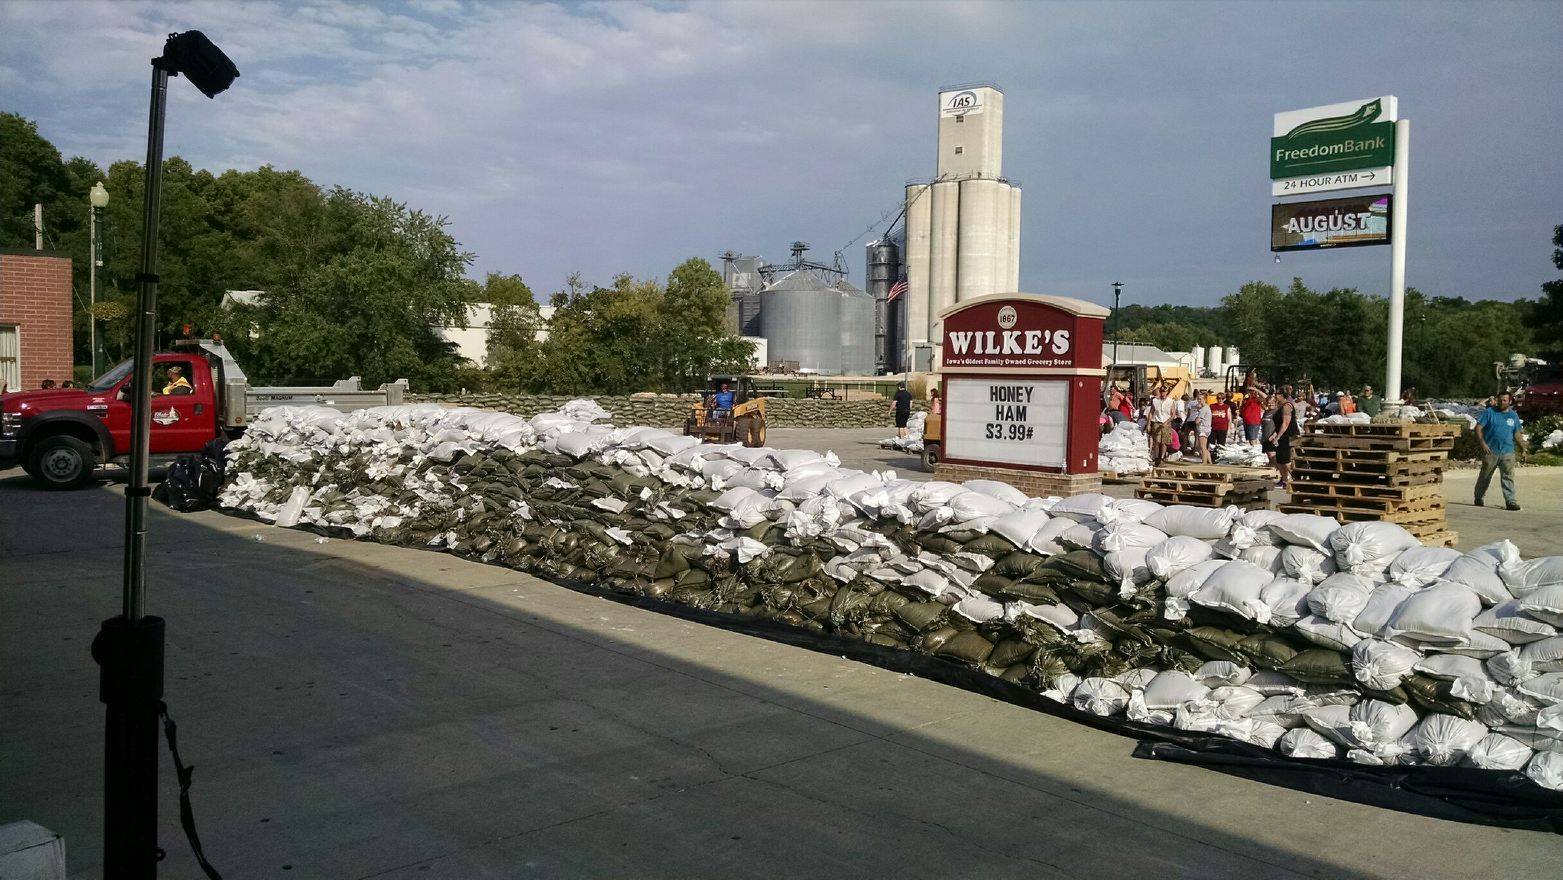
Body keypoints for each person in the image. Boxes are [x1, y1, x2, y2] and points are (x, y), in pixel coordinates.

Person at [1474, 392, 1524, 510]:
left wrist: (1522, 447)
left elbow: (1516, 433)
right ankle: (1479, 497)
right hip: (1491, 451)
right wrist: (1483, 444)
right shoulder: (1489, 412)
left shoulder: (1513, 416)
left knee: (1508, 477)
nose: (1502, 402)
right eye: (1500, 400)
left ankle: (1510, 501)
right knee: (1485, 476)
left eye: (1505, 400)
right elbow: (1478, 428)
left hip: (1507, 451)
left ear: (1510, 402)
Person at [1269, 390, 1301, 490]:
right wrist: (1274, 434)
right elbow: (1279, 424)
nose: (1275, 396)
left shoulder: (1287, 406)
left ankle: (1296, 480)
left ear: (1282, 395)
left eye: (1277, 395)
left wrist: (1278, 437)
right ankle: (1284, 480)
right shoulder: (1281, 406)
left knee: (1286, 460)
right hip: (1281, 435)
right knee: (1280, 459)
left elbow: (1285, 423)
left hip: (1288, 436)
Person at [1147, 384, 1175, 465]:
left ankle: (1162, 458)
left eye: (1164, 392)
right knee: (1157, 441)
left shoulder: (1171, 401)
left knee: (1164, 442)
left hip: (1166, 423)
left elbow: (1173, 414)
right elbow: (1151, 412)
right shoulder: (1155, 401)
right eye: (1161, 391)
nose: (1163, 393)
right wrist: (1149, 424)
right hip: (1157, 422)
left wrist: (1167, 421)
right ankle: (1156, 457)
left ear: (1167, 392)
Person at [1189, 394, 1213, 464]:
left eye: (1200, 399)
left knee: (1202, 447)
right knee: (1204, 447)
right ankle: (1210, 462)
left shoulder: (1204, 409)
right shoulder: (1206, 407)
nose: (1199, 401)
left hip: (1203, 429)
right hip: (1206, 429)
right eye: (1198, 399)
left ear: (1204, 399)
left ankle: (1204, 462)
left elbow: (1197, 421)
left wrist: (1196, 415)